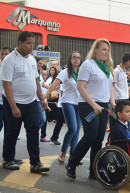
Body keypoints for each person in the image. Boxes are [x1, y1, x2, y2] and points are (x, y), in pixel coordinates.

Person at [0, 31, 49, 172]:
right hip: (14, 102)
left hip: (31, 101)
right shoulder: (9, 60)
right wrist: (14, 107)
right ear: (20, 43)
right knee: (13, 131)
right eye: (28, 43)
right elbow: (6, 85)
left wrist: (41, 98)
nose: (31, 46)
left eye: (32, 43)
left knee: (34, 130)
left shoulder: (32, 60)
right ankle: (8, 160)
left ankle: (36, 163)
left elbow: (36, 80)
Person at [66, 39, 115, 180]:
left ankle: (94, 170)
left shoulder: (107, 66)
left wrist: (112, 102)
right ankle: (72, 163)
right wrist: (94, 105)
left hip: (103, 106)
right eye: (104, 49)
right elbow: (80, 87)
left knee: (99, 139)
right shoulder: (88, 65)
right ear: (95, 50)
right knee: (90, 135)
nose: (106, 52)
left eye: (108, 50)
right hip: (88, 105)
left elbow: (110, 86)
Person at [45, 51, 82, 163]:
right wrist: (46, 95)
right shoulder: (65, 72)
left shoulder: (82, 73)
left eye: (78, 58)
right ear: (70, 60)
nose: (76, 59)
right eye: (74, 57)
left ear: (81, 61)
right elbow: (55, 84)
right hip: (67, 102)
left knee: (77, 131)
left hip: (80, 104)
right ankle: (63, 153)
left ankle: (73, 155)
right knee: (73, 128)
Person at [35, 57, 50, 142]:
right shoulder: (34, 72)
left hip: (39, 99)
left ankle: (33, 132)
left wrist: (52, 87)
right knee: (41, 119)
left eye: (41, 63)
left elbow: (42, 84)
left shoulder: (38, 74)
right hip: (34, 99)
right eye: (39, 63)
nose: (41, 65)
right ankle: (33, 132)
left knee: (42, 119)